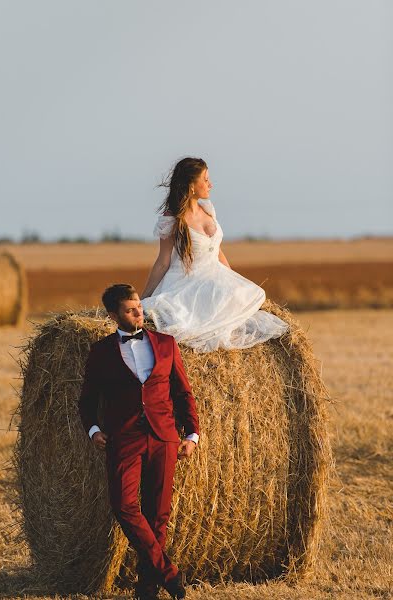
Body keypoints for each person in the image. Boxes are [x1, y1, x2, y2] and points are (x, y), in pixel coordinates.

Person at [78, 284, 199, 600]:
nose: (139, 314)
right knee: (124, 505)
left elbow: (183, 392)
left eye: (140, 308)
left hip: (164, 437)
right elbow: (88, 398)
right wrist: (93, 430)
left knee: (158, 515)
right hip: (124, 438)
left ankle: (147, 588)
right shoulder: (101, 352)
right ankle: (170, 574)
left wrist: (192, 434)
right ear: (113, 315)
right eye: (131, 310)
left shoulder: (166, 344)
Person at [141, 157, 289, 353]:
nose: (211, 184)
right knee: (190, 321)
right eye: (206, 179)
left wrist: (233, 280)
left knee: (244, 294)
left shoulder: (208, 210)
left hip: (214, 275)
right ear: (191, 185)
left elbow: (218, 251)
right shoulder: (172, 219)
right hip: (187, 282)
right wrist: (143, 298)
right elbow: (163, 262)